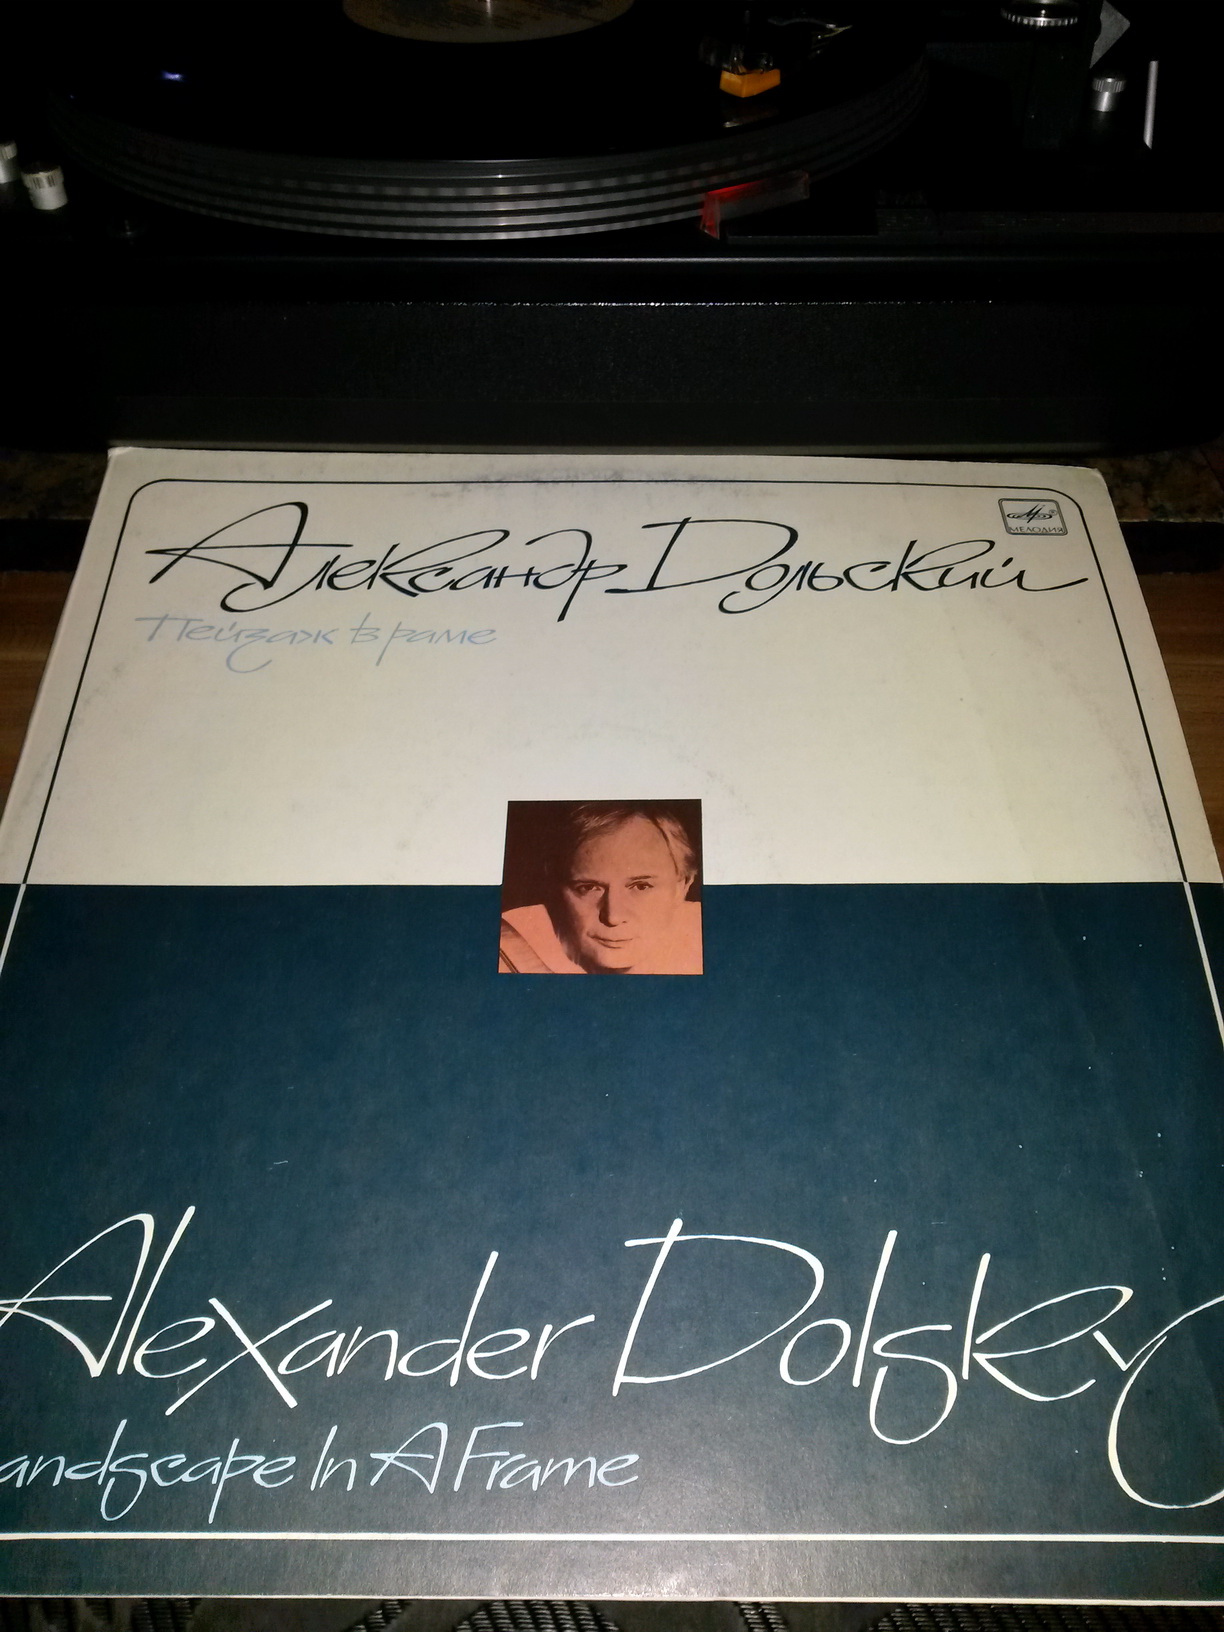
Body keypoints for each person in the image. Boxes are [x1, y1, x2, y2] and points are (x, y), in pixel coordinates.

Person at [498, 802, 703, 975]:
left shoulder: (708, 936)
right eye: (588, 887)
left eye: (641, 886)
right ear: (556, 887)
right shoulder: (508, 945)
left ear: (682, 886)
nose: (613, 917)